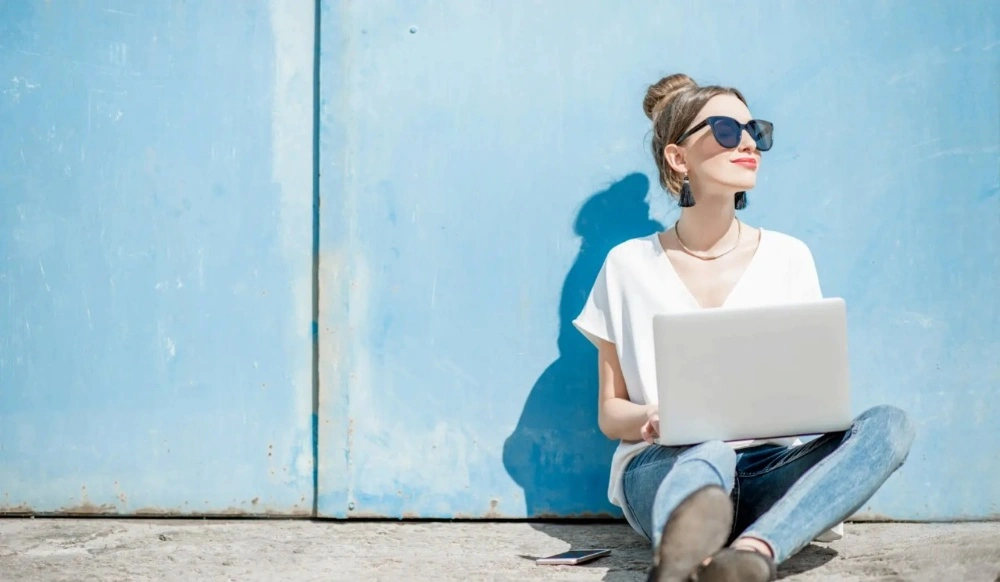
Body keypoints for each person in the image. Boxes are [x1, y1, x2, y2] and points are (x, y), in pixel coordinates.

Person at [572, 73, 915, 582]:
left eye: (755, 130)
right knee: (705, 448)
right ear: (678, 157)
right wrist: (651, 417)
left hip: (766, 467)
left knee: (890, 423)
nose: (749, 142)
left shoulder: (789, 256)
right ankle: (683, 546)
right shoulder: (627, 266)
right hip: (668, 465)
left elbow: (809, 392)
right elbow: (610, 413)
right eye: (727, 131)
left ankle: (753, 553)